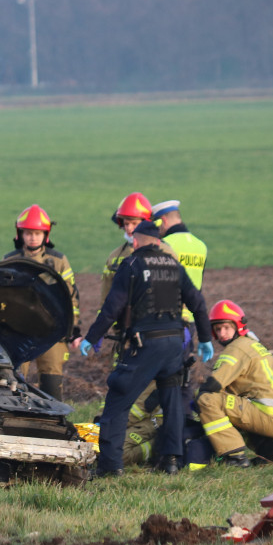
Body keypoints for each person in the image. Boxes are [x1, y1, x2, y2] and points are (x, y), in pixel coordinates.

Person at [72, 220, 212, 476]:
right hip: (174, 346)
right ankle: (171, 460)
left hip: (145, 344)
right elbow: (198, 304)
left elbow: (112, 307)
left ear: (135, 241)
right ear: (158, 242)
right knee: (172, 402)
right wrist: (204, 338)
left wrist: (92, 337)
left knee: (118, 399)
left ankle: (110, 466)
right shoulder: (174, 265)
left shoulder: (132, 265)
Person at [196, 300, 273, 467]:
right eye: (218, 329)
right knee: (228, 401)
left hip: (267, 415)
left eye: (226, 327)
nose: (222, 333)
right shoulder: (251, 344)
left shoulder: (237, 348)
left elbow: (214, 385)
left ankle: (235, 457)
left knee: (207, 400)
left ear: (238, 325)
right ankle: (268, 446)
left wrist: (193, 396)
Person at [3, 204, 80, 398]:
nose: (33, 237)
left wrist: (74, 329)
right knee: (14, 381)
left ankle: (54, 423)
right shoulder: (10, 260)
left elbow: (71, 297)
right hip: (18, 331)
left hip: (52, 330)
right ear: (20, 234)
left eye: (37, 233)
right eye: (28, 233)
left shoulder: (59, 261)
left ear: (46, 235)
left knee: (52, 381)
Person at [154, 199, 209, 410]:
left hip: (168, 318)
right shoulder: (200, 246)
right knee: (184, 372)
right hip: (191, 320)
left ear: (163, 221)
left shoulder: (166, 246)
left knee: (163, 374)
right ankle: (183, 415)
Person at [101, 192, 153, 308]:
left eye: (134, 223)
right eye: (126, 223)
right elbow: (106, 295)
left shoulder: (163, 251)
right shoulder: (114, 257)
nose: (129, 228)